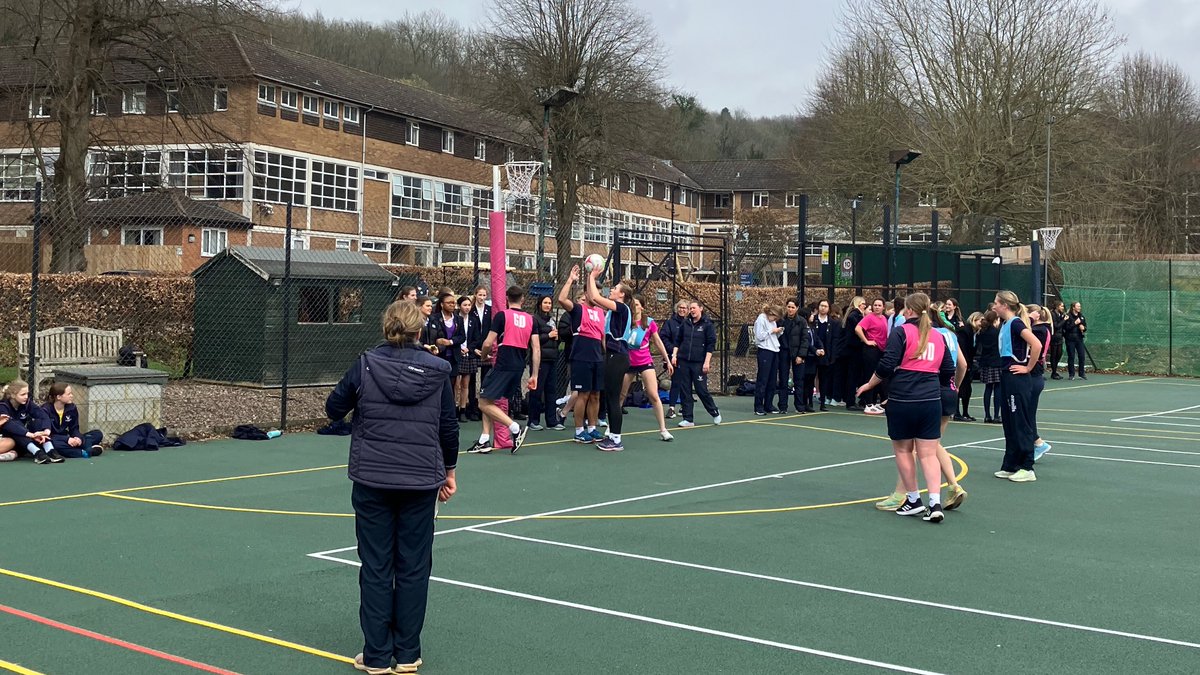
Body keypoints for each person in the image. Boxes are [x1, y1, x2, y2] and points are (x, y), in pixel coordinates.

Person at [324, 300, 458, 675]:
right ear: (420, 331)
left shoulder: (366, 364)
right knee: (414, 566)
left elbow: (333, 408)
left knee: (376, 565)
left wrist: (357, 397)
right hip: (419, 480)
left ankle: (378, 654)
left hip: (373, 480)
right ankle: (407, 653)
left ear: (387, 328)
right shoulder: (436, 370)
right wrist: (450, 471)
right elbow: (448, 427)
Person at [857, 293, 955, 523]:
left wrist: (869, 384)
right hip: (931, 400)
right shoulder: (938, 336)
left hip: (903, 399)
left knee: (903, 450)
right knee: (929, 453)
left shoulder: (901, 332)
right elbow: (948, 369)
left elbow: (887, 364)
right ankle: (935, 503)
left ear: (908, 311)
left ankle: (913, 499)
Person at [875, 304, 968, 513]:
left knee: (914, 448)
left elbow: (892, 363)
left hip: (919, 390)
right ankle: (952, 485)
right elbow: (961, 365)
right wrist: (955, 386)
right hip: (944, 389)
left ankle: (905, 495)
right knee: (932, 444)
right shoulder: (949, 334)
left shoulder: (922, 334)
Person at [470, 286, 539, 455]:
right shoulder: (532, 319)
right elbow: (536, 349)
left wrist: (483, 356)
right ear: (522, 300)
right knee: (489, 399)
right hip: (519, 365)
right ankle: (484, 440)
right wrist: (534, 374)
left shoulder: (502, 316)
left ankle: (515, 428)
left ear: (507, 298)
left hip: (503, 363)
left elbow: (487, 343)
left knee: (482, 402)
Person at [993, 291, 1043, 483]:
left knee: (1020, 421)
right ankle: (1011, 464)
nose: (994, 306)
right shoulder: (1006, 324)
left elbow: (1036, 344)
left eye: (997, 303)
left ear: (1005, 305)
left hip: (1017, 378)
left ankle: (1027, 466)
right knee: (1009, 421)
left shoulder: (1016, 323)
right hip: (1006, 376)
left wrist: (1028, 367)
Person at [585, 263, 633, 452]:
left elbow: (596, 296)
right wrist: (590, 278)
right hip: (613, 356)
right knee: (611, 398)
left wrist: (592, 275)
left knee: (613, 399)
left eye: (615, 289)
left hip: (618, 357)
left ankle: (616, 439)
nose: (612, 290)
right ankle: (613, 437)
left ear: (622, 295)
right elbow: (592, 298)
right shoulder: (615, 310)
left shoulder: (621, 308)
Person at [558, 267, 604, 444]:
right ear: (586, 293)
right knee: (582, 394)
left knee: (595, 395)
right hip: (581, 356)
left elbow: (602, 338)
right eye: (594, 292)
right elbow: (562, 299)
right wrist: (570, 279)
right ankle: (579, 431)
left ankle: (592, 429)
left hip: (597, 357)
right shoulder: (578, 309)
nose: (597, 296)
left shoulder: (601, 312)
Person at [620, 297, 675, 441]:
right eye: (632, 304)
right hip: (628, 363)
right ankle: (611, 427)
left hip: (645, 362)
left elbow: (658, 342)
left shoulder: (648, 322)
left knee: (653, 394)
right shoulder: (625, 321)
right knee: (621, 395)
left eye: (637, 304)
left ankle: (663, 429)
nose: (634, 306)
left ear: (642, 307)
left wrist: (668, 360)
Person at [672, 301, 721, 427]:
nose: (692, 310)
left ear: (700, 308)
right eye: (690, 308)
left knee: (701, 389)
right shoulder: (685, 323)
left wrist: (707, 362)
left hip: (699, 363)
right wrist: (674, 355)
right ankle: (688, 419)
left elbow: (711, 345)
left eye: (694, 308)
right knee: (685, 390)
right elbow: (678, 340)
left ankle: (714, 412)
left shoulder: (707, 325)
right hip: (684, 361)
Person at [0, 380, 60, 464]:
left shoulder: (27, 403)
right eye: (23, 394)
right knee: (16, 426)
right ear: (13, 395)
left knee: (37, 422)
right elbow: (9, 425)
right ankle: (37, 452)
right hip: (11, 437)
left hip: (25, 439)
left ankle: (50, 450)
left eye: (27, 393)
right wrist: (30, 434)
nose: (26, 396)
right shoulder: (3, 406)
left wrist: (46, 431)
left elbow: (42, 415)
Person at [41, 383, 103, 458]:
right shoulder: (45, 410)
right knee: (54, 445)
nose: (72, 396)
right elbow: (46, 434)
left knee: (97, 434)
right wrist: (67, 439)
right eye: (69, 394)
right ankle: (84, 452)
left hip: (68, 439)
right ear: (59, 397)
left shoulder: (72, 408)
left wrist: (78, 438)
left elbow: (74, 428)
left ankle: (79, 446)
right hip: (54, 439)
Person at [528, 296, 562, 431]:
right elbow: (533, 341)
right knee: (536, 390)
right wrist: (548, 336)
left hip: (552, 358)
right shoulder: (535, 319)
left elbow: (556, 339)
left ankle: (552, 420)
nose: (547, 305)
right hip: (540, 360)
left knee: (551, 390)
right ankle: (533, 420)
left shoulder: (552, 320)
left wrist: (557, 338)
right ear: (540, 304)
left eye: (549, 303)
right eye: (545, 303)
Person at [1027, 304, 1053, 462]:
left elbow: (1022, 332)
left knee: (1028, 413)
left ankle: (1038, 442)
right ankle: (1035, 442)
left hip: (1034, 374)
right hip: (1036, 375)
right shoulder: (1044, 329)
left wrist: (1029, 319)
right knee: (1029, 413)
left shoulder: (1039, 331)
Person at [856, 298, 888, 413]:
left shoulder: (884, 318)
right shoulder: (869, 317)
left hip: (881, 350)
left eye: (879, 305)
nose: (877, 307)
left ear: (884, 307)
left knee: (879, 376)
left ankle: (874, 402)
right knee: (870, 376)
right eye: (875, 305)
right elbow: (858, 328)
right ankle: (868, 403)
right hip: (871, 350)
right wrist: (866, 341)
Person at [465, 285, 492, 421]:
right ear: (475, 295)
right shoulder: (470, 310)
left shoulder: (490, 310)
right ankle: (472, 409)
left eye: (484, 295)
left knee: (486, 379)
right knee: (471, 381)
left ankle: (484, 408)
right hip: (473, 348)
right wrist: (473, 348)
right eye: (479, 295)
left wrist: (487, 348)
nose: (482, 298)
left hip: (486, 349)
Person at [753, 304, 784, 415]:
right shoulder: (761, 319)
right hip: (765, 351)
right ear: (771, 314)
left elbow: (773, 337)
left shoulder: (772, 321)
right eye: (775, 318)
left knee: (772, 380)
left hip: (774, 350)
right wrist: (772, 331)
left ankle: (768, 404)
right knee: (763, 379)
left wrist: (778, 332)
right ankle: (758, 406)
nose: (775, 320)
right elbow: (759, 336)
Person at [660, 300, 689, 419]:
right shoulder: (670, 323)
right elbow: (663, 337)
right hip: (674, 357)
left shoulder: (691, 323)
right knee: (676, 382)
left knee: (686, 383)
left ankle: (684, 407)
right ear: (677, 309)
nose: (682, 310)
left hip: (688, 358)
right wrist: (673, 350)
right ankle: (671, 408)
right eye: (680, 308)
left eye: (685, 308)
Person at [455, 296, 481, 422]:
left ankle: (463, 410)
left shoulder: (473, 321)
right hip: (456, 354)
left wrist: (469, 349)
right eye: (464, 305)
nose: (467, 307)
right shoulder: (455, 319)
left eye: (469, 305)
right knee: (456, 384)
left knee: (466, 384)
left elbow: (476, 339)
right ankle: (454, 408)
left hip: (468, 355)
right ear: (459, 306)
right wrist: (458, 348)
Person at [839, 296, 867, 411]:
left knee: (852, 376)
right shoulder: (855, 316)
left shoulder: (851, 316)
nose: (865, 306)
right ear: (859, 304)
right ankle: (850, 401)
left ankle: (849, 400)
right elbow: (856, 332)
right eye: (863, 303)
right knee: (852, 376)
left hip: (851, 349)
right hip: (854, 350)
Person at [774, 301, 801, 414]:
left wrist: (801, 355)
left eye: (793, 307)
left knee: (798, 380)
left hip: (797, 353)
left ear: (797, 308)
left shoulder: (801, 322)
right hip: (783, 352)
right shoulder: (781, 321)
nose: (790, 309)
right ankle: (783, 406)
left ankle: (799, 406)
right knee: (783, 380)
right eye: (789, 307)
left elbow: (804, 338)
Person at [812, 300, 839, 410]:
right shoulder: (813, 320)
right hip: (812, 354)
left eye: (825, 306)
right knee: (810, 378)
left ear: (829, 309)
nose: (823, 308)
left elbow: (835, 340)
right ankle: (808, 402)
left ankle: (823, 402)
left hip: (826, 355)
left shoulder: (833, 323)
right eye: (821, 306)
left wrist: (832, 356)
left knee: (824, 379)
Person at [794, 307, 822, 413]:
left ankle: (809, 402)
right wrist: (815, 350)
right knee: (804, 381)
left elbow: (817, 339)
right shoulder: (802, 327)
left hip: (813, 358)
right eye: (810, 314)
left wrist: (821, 348)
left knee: (810, 381)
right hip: (806, 357)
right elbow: (807, 343)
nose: (813, 316)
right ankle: (802, 403)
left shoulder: (812, 328)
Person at [977, 310, 1003, 424]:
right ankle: (997, 415)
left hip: (985, 362)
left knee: (988, 388)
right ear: (995, 320)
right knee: (997, 388)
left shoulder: (981, 332)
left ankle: (987, 415)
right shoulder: (997, 332)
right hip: (996, 362)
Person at [955, 311, 981, 421]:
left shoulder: (976, 333)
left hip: (969, 363)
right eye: (980, 321)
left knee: (967, 390)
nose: (981, 323)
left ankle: (965, 412)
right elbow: (963, 349)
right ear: (974, 320)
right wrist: (965, 364)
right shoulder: (964, 331)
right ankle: (957, 412)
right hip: (962, 363)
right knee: (959, 387)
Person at [1063, 301, 1087, 380]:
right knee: (1071, 356)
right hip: (1070, 339)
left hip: (1079, 339)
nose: (1079, 308)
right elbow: (1066, 328)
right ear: (1073, 307)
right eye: (1078, 306)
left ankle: (1081, 373)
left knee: (1082, 356)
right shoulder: (1068, 316)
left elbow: (1085, 327)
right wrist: (1075, 323)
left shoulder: (1081, 316)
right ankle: (1071, 374)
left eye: (1080, 306)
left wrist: (1084, 328)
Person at [1049, 300, 1066, 380]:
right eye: (1061, 306)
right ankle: (1054, 372)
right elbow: (1056, 326)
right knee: (1054, 354)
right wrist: (1064, 320)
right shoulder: (1052, 314)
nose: (1063, 308)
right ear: (1057, 306)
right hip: (1054, 337)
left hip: (1059, 337)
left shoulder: (1061, 314)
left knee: (1059, 354)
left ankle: (1055, 371)